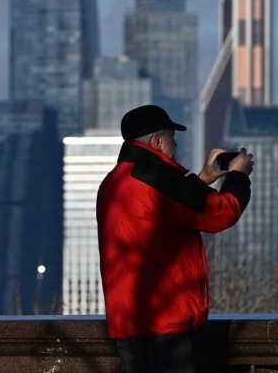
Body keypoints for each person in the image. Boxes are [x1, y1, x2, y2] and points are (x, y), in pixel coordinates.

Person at [96, 104, 254, 373]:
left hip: (129, 326)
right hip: (165, 324)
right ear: (157, 142)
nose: (176, 145)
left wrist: (200, 182)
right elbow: (220, 214)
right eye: (172, 138)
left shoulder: (113, 182)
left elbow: (161, 213)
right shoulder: (156, 179)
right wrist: (238, 176)